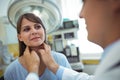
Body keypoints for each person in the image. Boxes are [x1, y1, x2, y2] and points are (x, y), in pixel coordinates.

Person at [25, 0, 120, 80]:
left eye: (84, 1)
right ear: (19, 36)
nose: (80, 14)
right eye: (27, 29)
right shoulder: (12, 70)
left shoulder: (60, 58)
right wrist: (54, 67)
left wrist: (33, 73)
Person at [4, 13, 72, 80]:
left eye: (38, 27)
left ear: (44, 31)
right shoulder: (11, 71)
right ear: (20, 37)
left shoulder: (61, 59)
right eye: (27, 29)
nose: (34, 31)